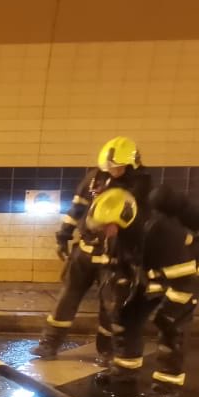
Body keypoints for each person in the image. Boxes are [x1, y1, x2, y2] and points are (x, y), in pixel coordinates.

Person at [34, 136, 152, 361]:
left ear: (131, 163)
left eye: (116, 167)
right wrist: (63, 235)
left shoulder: (141, 185)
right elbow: (77, 208)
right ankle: (49, 343)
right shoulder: (94, 178)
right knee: (67, 297)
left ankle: (106, 350)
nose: (111, 171)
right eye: (109, 166)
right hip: (86, 250)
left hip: (115, 255)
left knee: (111, 306)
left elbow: (140, 219)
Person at [94, 183, 199, 397]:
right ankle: (124, 371)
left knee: (172, 329)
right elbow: (118, 265)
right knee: (125, 317)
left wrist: (168, 312)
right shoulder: (119, 233)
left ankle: (166, 388)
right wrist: (119, 293)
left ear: (124, 218)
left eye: (108, 225)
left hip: (184, 278)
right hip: (151, 277)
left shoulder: (164, 234)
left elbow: (185, 282)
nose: (104, 230)